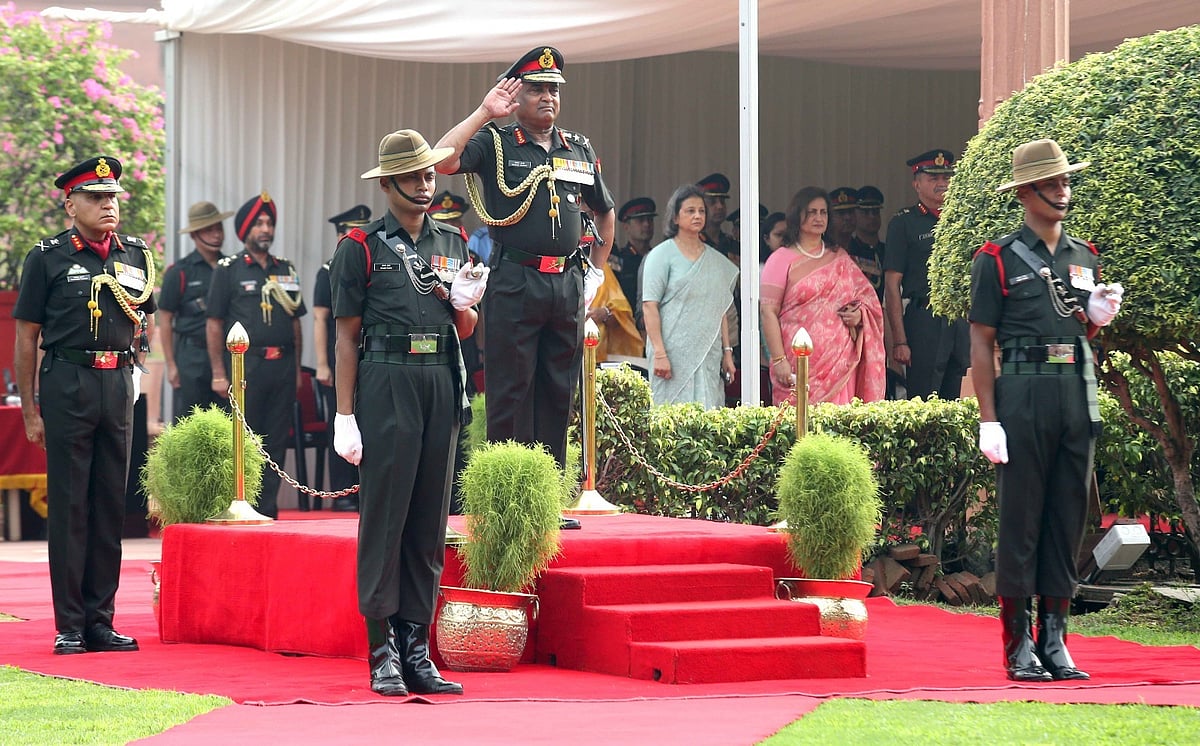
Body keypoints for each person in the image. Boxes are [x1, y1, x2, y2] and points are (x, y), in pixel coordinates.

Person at [330, 128, 485, 697]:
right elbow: (346, 338)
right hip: (385, 380)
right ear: (389, 183)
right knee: (386, 517)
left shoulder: (452, 241)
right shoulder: (361, 247)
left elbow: (465, 328)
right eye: (414, 177)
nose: (425, 185)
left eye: (429, 175)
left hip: (440, 377)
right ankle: (382, 650)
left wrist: (464, 300)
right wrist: (345, 414)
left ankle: (418, 648)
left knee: (429, 518)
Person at [970, 139, 1122, 683]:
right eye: (1052, 184)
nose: (1064, 192)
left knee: (1066, 516)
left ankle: (1056, 640)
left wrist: (1098, 318)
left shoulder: (1084, 256)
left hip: (1075, 392)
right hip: (1023, 393)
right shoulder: (998, 259)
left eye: (1065, 182)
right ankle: (1017, 642)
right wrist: (989, 418)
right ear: (1026, 193)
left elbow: (1079, 328)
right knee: (1022, 518)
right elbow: (982, 343)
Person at [434, 45, 615, 470]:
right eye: (537, 88)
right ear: (516, 96)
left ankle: (547, 499)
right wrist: (483, 113)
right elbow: (442, 161)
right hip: (516, 278)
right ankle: (512, 495)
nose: (548, 96)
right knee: (511, 393)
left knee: (557, 393)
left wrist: (596, 275)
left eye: (554, 89)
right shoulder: (495, 142)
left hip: (566, 282)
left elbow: (604, 212)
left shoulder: (579, 148)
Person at [14, 155, 156, 655]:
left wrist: (139, 366)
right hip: (67, 381)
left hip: (116, 383)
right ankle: (69, 623)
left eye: (113, 197)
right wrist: (31, 409)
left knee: (109, 506)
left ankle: (101, 620)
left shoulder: (137, 255)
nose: (107, 205)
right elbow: (27, 335)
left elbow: (145, 318)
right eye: (96, 197)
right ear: (70, 203)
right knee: (72, 505)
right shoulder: (47, 257)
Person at [205, 191, 305, 519]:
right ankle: (242, 506)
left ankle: (268, 510)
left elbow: (295, 323)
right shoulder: (229, 269)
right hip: (246, 367)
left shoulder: (284, 269)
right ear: (245, 230)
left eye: (269, 223)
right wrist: (219, 372)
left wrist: (296, 371)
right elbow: (215, 323)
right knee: (246, 439)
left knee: (276, 441)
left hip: (282, 365)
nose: (265, 229)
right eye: (259, 224)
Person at [760, 186, 885, 407]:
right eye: (811, 212)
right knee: (798, 431)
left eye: (823, 212)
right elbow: (768, 312)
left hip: (840, 363)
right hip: (797, 364)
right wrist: (779, 360)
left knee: (839, 431)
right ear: (797, 215)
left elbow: (867, 300)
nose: (818, 218)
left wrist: (859, 317)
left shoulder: (840, 257)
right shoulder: (781, 259)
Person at [641, 184, 738, 407]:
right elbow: (649, 306)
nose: (697, 216)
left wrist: (727, 352)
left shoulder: (715, 260)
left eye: (701, 211)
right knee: (671, 419)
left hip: (708, 354)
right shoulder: (661, 255)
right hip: (671, 354)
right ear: (675, 217)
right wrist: (660, 353)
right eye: (690, 211)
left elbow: (720, 308)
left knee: (709, 415)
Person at [884, 149, 970, 400]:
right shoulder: (904, 222)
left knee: (958, 394)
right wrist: (899, 340)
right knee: (923, 397)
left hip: (960, 319)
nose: (941, 184)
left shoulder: (961, 219)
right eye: (933, 178)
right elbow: (892, 285)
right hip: (924, 319)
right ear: (916, 183)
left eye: (946, 177)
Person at [314, 205, 371, 511]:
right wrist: (323, 363)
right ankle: (342, 494)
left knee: (367, 421)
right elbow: (320, 319)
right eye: (348, 231)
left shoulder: (371, 262)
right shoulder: (329, 269)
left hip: (369, 354)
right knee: (341, 420)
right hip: (340, 356)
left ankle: (363, 490)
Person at [159, 201, 232, 422]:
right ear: (194, 235)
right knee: (191, 423)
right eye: (209, 230)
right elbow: (165, 320)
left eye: (219, 228)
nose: (216, 235)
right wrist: (171, 365)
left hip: (225, 355)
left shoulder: (231, 267)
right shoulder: (180, 272)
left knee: (226, 422)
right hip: (192, 356)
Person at [610, 196, 656, 324]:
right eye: (640, 220)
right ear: (626, 226)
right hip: (625, 329)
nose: (647, 224)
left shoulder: (658, 258)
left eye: (650, 219)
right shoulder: (619, 261)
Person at [848, 185, 886, 301]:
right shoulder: (849, 251)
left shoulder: (888, 251)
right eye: (865, 212)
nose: (872, 217)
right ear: (855, 215)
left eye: (875, 212)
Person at [826, 186, 859, 251]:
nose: (848, 217)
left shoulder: (863, 251)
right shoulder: (820, 250)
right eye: (841, 213)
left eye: (851, 212)